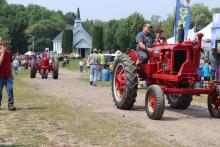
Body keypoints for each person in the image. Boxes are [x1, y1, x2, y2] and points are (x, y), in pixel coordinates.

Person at [0, 41, 16, 111]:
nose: (5, 47)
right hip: (0, 76)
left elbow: (10, 64)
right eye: (3, 45)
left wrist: (12, 73)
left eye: (6, 45)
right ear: (0, 46)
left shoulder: (9, 53)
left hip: (8, 76)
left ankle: (10, 105)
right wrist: (2, 54)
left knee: (10, 89)